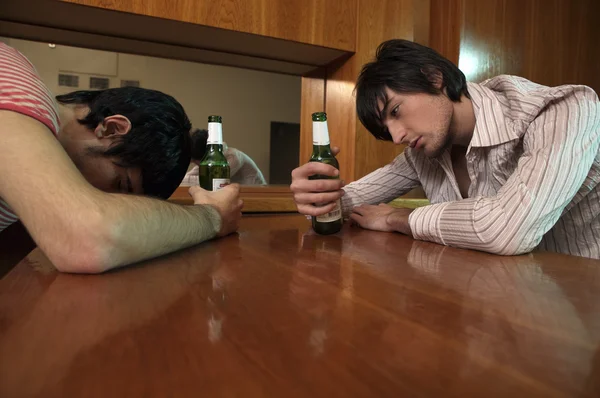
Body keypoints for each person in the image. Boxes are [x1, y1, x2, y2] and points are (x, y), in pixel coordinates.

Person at [291, 39, 600, 258]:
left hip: (579, 307)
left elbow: (508, 230)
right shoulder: (422, 153)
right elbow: (346, 205)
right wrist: (316, 195)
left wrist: (398, 218)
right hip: (496, 304)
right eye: (386, 128)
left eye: (396, 111)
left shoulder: (564, 111)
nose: (396, 136)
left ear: (434, 77)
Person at [0, 42, 243, 274]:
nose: (111, 203)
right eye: (120, 183)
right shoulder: (18, 85)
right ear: (112, 129)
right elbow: (87, 239)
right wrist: (213, 216)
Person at [180, 128, 267, 186]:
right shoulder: (209, 159)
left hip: (257, 194)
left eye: (196, 161)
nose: (196, 164)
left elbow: (212, 182)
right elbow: (184, 179)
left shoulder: (233, 157)